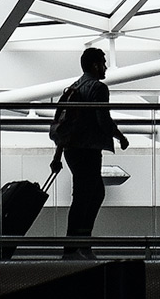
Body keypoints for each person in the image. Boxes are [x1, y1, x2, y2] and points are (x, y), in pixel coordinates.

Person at [49, 46, 129, 258]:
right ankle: (78, 245)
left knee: (86, 195)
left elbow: (66, 125)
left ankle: (78, 244)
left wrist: (57, 156)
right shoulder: (97, 88)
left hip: (71, 151)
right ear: (95, 65)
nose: (105, 68)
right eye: (103, 63)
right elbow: (103, 119)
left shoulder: (72, 88)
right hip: (88, 149)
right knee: (89, 195)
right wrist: (120, 136)